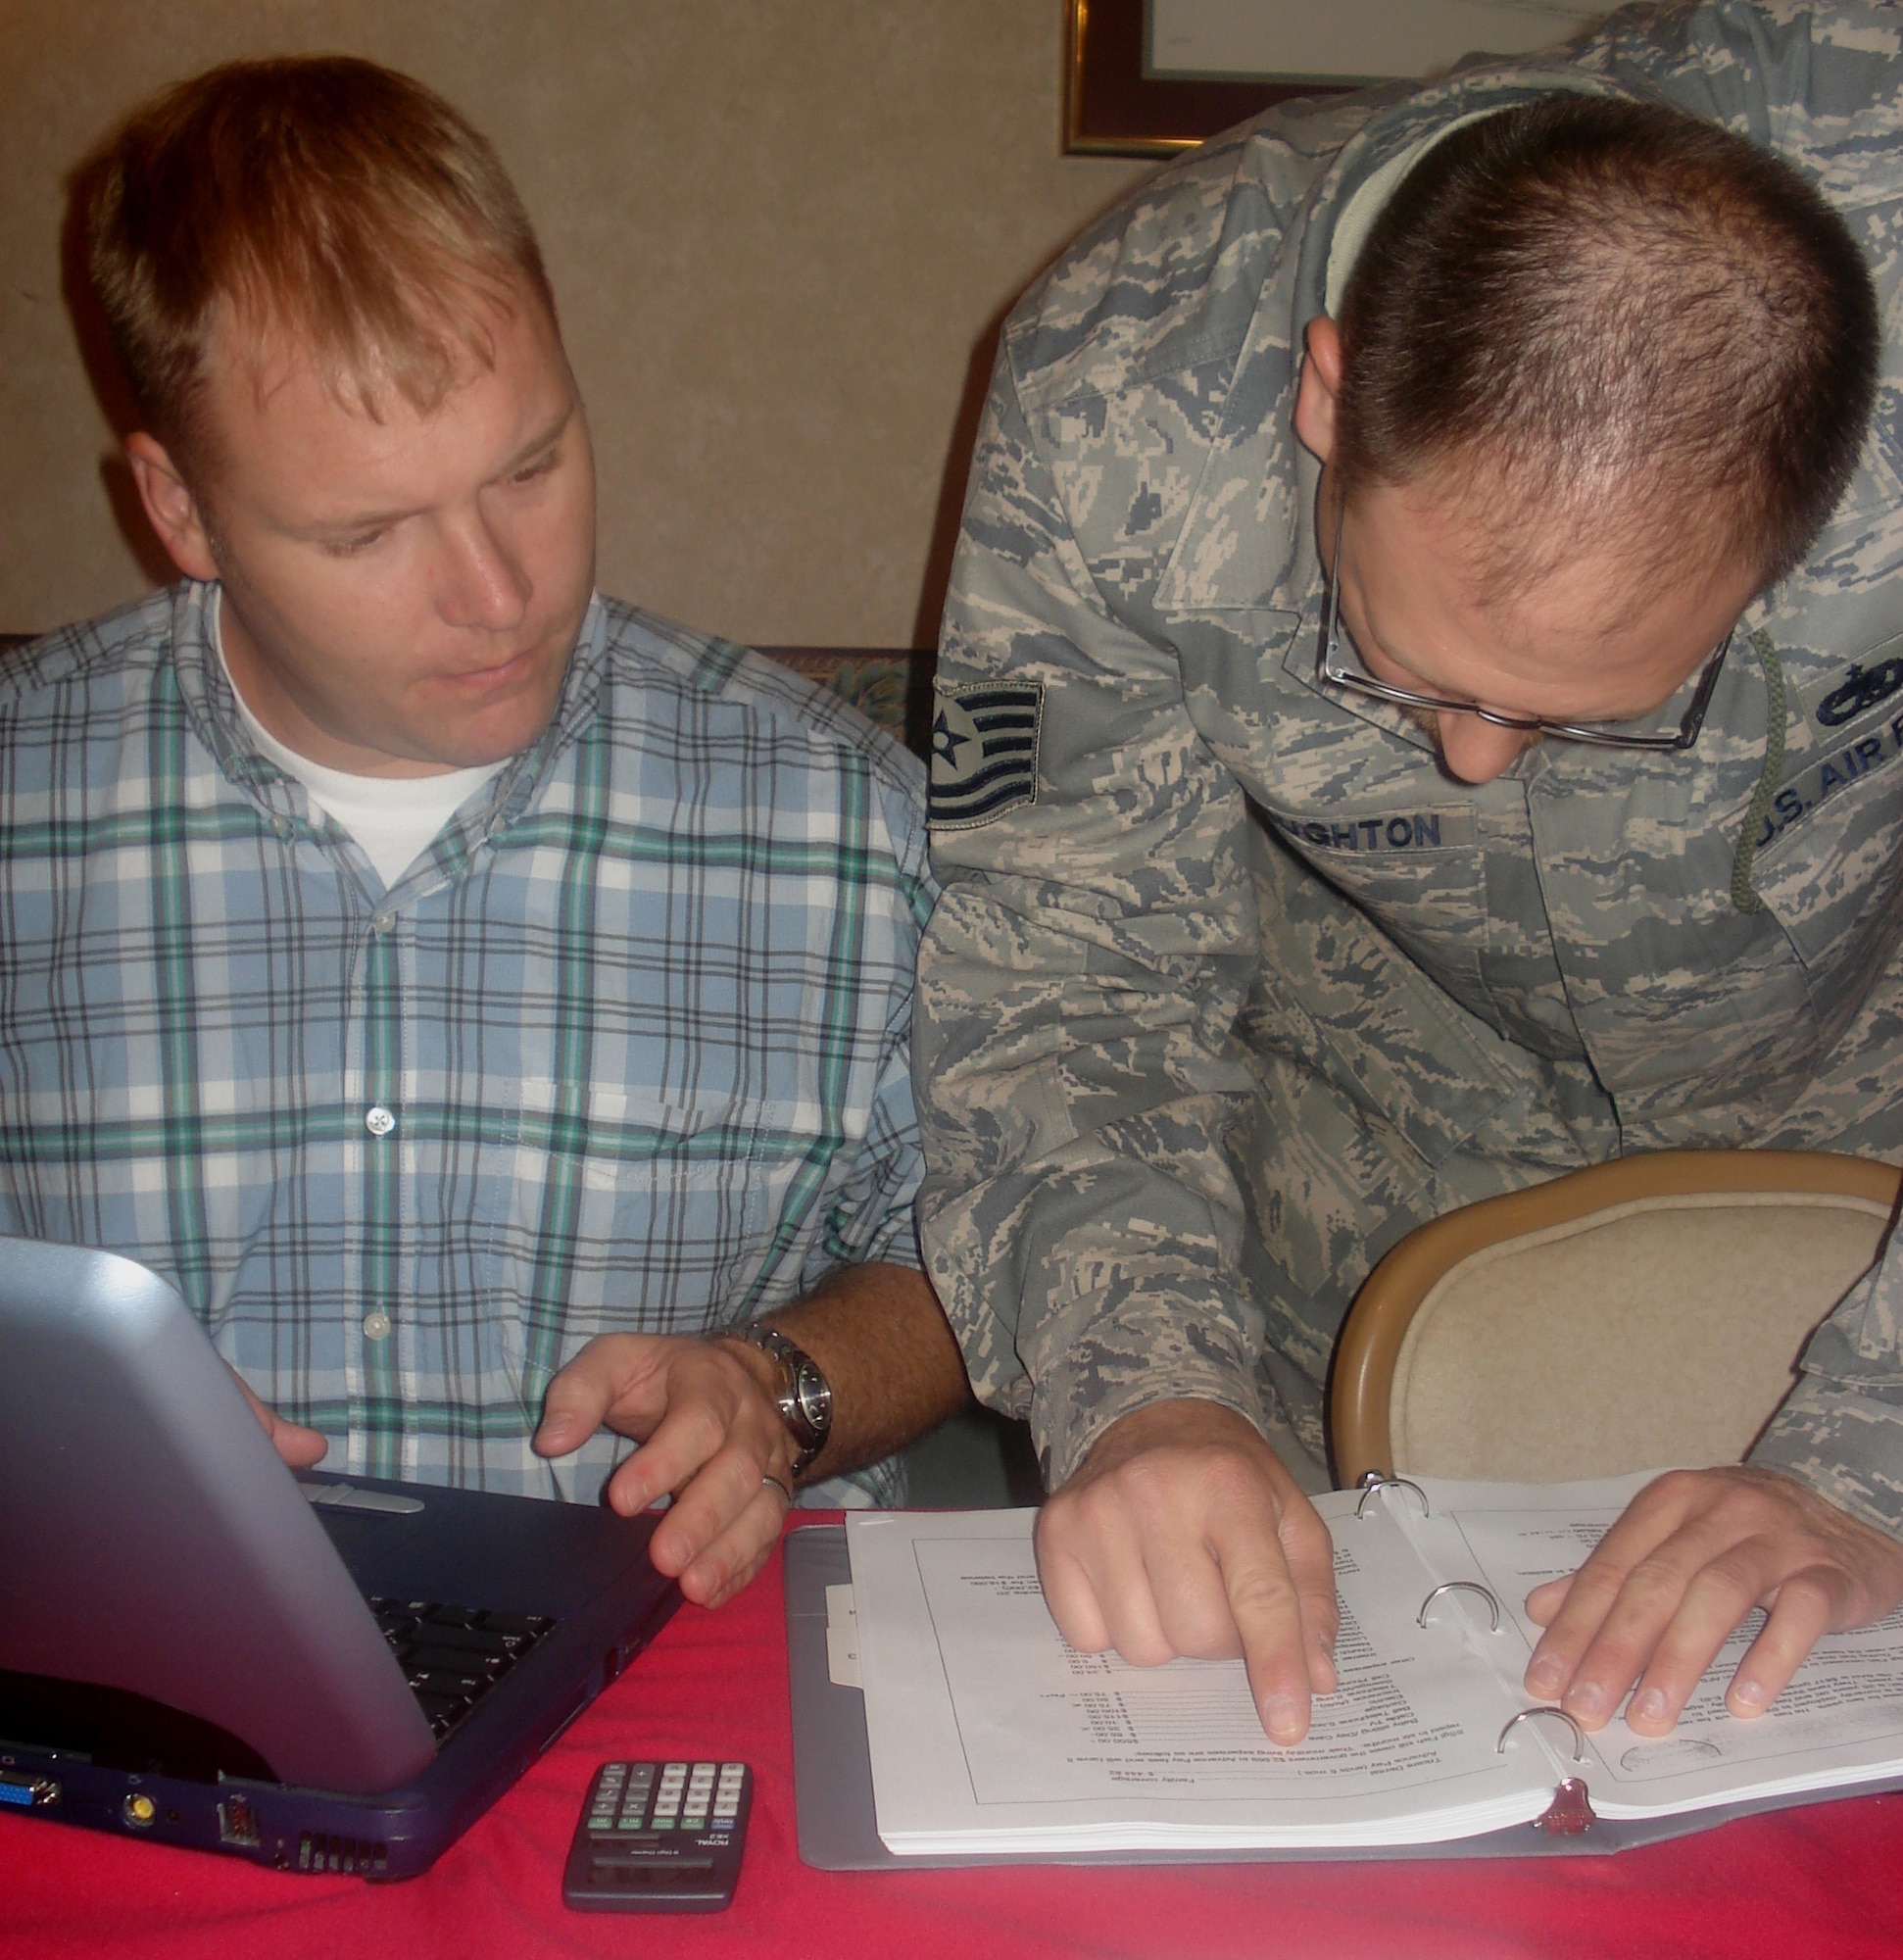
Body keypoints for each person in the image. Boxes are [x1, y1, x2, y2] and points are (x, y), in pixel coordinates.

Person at [914, 0, 1903, 1746]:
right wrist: (1145, 1392)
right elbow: (1072, 979)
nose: (1469, 763)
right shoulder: (1122, 394)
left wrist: (1869, 1465)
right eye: (1417, 676)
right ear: (1323, 393)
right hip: (1368, 1185)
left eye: (1589, 707)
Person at [0, 54, 968, 1612]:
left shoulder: (838, 822)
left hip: (674, 1688)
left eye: (530, 467)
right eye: (367, 532)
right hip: (137, 1668)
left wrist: (779, 1388)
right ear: (178, 512)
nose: (498, 592)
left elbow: (967, 1263)